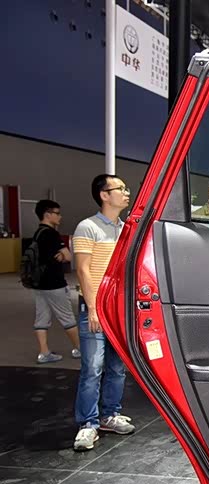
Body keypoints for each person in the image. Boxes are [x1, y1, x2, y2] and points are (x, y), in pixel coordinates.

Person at [71, 174, 135, 452]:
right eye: (120, 188)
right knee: (93, 368)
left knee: (117, 367)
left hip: (118, 309)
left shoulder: (126, 229)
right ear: (104, 195)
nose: (126, 192)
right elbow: (83, 270)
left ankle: (110, 415)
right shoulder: (87, 227)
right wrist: (94, 309)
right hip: (95, 309)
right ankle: (88, 423)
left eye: (126, 188)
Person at [30, 200, 81, 364]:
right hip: (54, 283)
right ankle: (79, 349)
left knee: (41, 319)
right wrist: (61, 256)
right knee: (67, 317)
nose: (60, 217)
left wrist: (60, 256)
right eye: (57, 213)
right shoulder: (51, 234)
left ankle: (44, 352)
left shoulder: (37, 233)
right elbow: (68, 256)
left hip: (39, 283)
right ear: (47, 214)